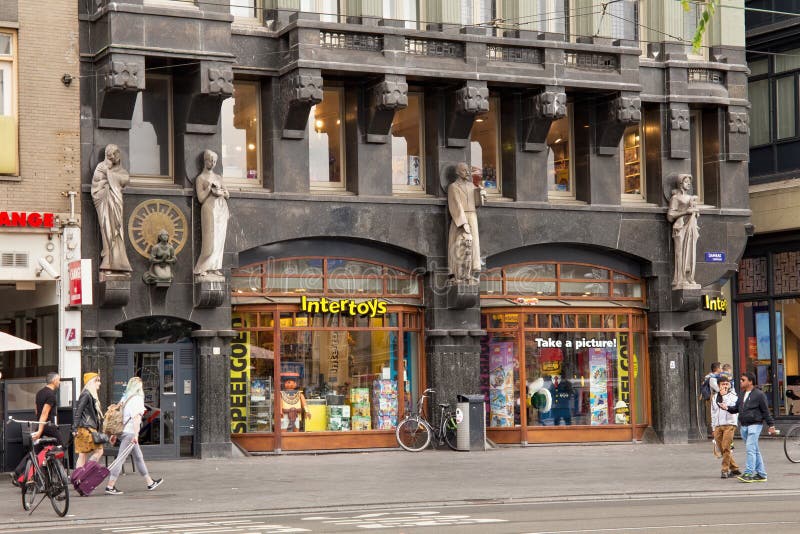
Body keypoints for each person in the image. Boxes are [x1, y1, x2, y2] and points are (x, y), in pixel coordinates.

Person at [105, 377, 163, 495]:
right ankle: (110, 485)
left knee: (138, 457)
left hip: (124, 432)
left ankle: (150, 482)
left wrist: (115, 434)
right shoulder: (137, 399)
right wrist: (136, 435)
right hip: (130, 433)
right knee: (120, 459)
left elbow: (119, 418)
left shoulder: (125, 399)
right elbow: (136, 419)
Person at [718, 372, 777, 482]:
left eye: (743, 380)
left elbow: (766, 411)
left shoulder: (759, 394)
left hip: (755, 425)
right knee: (755, 450)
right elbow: (736, 408)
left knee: (750, 449)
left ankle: (748, 473)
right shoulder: (741, 394)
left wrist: (771, 425)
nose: (740, 381)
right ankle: (761, 474)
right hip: (744, 426)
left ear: (750, 382)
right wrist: (726, 407)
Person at [10, 372, 63, 486]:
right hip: (47, 426)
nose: (60, 382)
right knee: (61, 447)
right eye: (59, 380)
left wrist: (39, 427)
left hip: (40, 424)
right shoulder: (51, 395)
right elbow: (44, 413)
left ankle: (18, 472)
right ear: (54, 381)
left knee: (36, 451)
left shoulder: (40, 393)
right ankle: (56, 477)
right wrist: (40, 430)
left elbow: (36, 411)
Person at [91, 144, 132, 272]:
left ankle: (119, 261)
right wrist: (107, 177)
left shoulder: (120, 170)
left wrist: (110, 175)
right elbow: (96, 184)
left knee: (118, 229)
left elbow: (125, 179)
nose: (113, 157)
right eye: (111, 154)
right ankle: (107, 260)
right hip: (104, 203)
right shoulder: (101, 167)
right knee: (107, 229)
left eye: (116, 154)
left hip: (117, 203)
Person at [193, 149, 230, 278]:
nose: (213, 163)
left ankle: (215, 267)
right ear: (205, 161)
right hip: (209, 208)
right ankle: (201, 267)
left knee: (220, 240)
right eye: (211, 161)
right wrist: (209, 188)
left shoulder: (219, 177)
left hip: (221, 209)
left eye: (215, 161)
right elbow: (200, 198)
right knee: (210, 239)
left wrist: (221, 191)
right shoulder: (201, 178)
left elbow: (228, 194)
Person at [447, 162, 485, 283]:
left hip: (472, 216)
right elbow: (456, 205)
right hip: (460, 218)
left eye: (468, 170)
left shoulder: (471, 186)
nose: (467, 172)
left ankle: (473, 271)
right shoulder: (453, 187)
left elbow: (477, 203)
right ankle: (458, 273)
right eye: (464, 170)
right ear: (458, 172)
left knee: (474, 245)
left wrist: (481, 193)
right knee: (459, 246)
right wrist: (464, 223)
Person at [666, 173, 700, 289]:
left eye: (689, 182)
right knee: (680, 253)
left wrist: (695, 211)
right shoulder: (675, 198)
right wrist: (686, 212)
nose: (689, 184)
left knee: (691, 252)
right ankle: (680, 278)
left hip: (691, 228)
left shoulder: (691, 198)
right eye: (686, 181)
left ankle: (690, 277)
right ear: (680, 184)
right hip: (680, 228)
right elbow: (670, 216)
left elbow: (695, 213)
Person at [72, 372, 105, 469]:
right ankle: (86, 472)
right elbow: (78, 411)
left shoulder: (89, 395)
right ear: (91, 382)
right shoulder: (86, 394)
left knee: (82, 455)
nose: (99, 383)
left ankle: (78, 478)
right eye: (97, 381)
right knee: (99, 451)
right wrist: (74, 428)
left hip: (85, 428)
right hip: (86, 429)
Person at [710, 375, 741, 479]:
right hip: (718, 425)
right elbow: (713, 412)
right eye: (723, 384)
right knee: (722, 448)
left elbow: (730, 407)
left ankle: (725, 470)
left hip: (729, 424)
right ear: (718, 386)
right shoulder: (715, 397)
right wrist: (713, 428)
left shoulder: (733, 396)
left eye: (727, 384)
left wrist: (724, 396)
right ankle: (735, 468)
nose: (725, 386)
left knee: (726, 447)